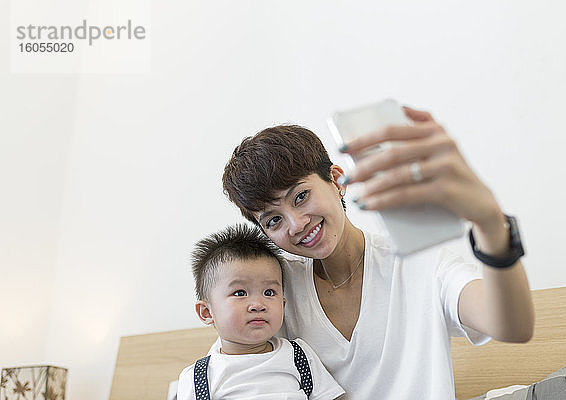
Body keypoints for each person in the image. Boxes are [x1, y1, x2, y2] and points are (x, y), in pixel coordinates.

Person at [220, 106, 535, 399]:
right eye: (273, 220)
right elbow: (223, 374)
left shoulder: (419, 262)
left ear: (336, 180)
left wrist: (490, 223)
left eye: (301, 196)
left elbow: (513, 326)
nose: (296, 224)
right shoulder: (269, 291)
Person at [177, 224, 345, 400]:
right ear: (207, 312)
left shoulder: (298, 356)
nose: (258, 304)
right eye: (240, 293)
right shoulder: (198, 378)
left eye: (269, 293)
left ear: (283, 304)